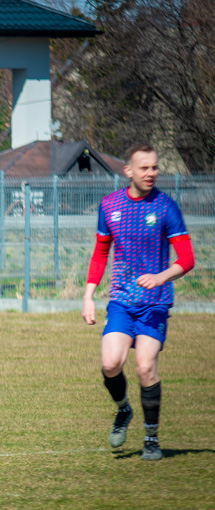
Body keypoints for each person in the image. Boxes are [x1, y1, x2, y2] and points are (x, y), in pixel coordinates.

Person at [82, 144, 195, 461]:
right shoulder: (109, 205)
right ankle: (123, 409)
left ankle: (151, 438)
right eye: (144, 168)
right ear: (128, 171)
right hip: (120, 302)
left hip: (155, 303)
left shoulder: (165, 207)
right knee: (110, 364)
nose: (151, 173)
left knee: (145, 367)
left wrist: (161, 277)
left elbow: (187, 259)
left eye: (155, 167)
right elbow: (100, 253)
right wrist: (88, 296)